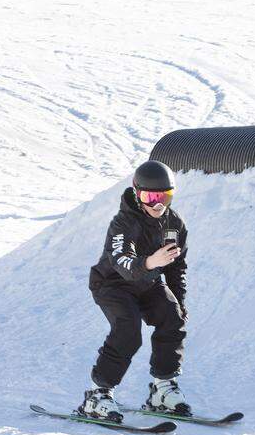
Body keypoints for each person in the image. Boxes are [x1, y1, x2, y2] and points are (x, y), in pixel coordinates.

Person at [79, 160, 190, 421]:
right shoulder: (123, 223)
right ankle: (98, 395)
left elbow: (177, 266)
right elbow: (122, 262)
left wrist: (179, 300)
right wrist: (151, 262)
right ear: (137, 194)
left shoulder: (174, 224)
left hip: (147, 283)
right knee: (128, 329)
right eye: (150, 197)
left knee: (173, 317)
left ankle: (162, 389)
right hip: (112, 283)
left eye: (164, 196)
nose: (157, 204)